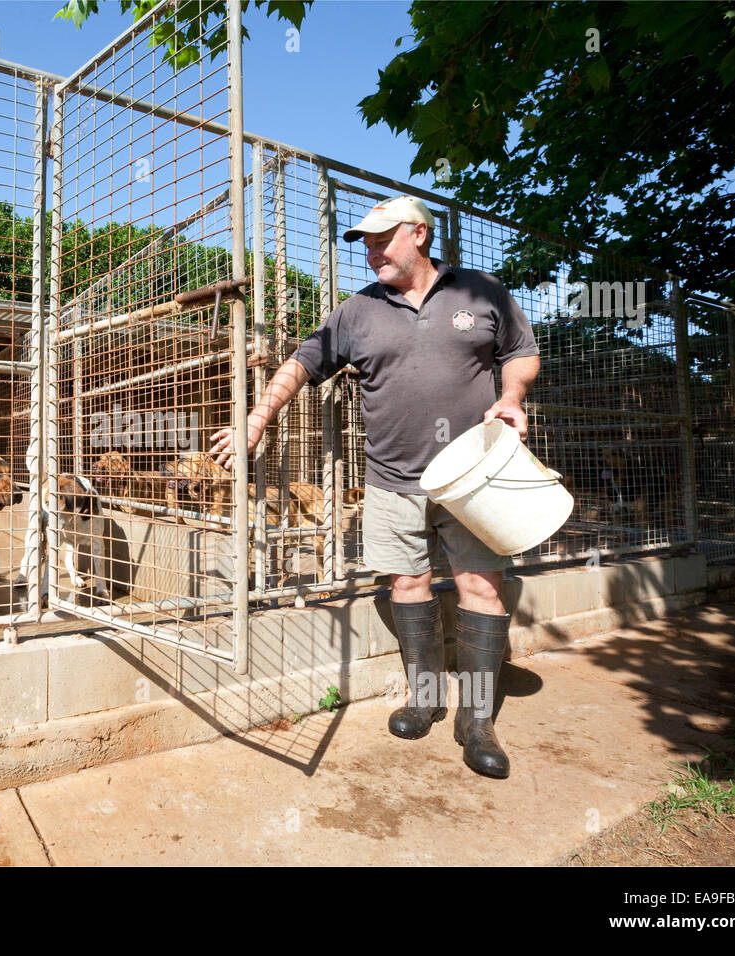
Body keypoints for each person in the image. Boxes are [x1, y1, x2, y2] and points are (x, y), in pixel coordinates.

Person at [210, 195, 540, 778]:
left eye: (381, 239)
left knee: (482, 589)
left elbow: (520, 354)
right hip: (391, 479)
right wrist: (256, 419)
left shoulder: (480, 292)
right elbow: (302, 363)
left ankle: (478, 719)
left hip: (472, 475)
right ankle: (424, 696)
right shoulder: (356, 311)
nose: (369, 251)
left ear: (419, 234)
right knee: (407, 583)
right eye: (363, 241)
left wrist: (510, 397)